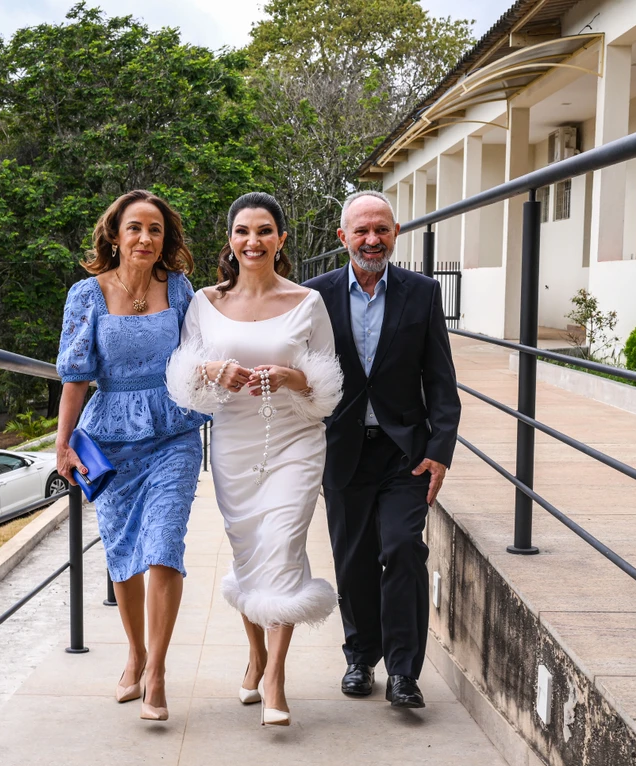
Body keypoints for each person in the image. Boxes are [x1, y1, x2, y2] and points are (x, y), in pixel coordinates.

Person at [166, 192, 343, 727]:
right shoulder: (204, 302)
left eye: (264, 231)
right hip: (235, 443)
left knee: (284, 544)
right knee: (249, 553)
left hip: (295, 439)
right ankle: (256, 655)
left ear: (281, 239)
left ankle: (276, 678)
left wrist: (291, 377)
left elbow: (328, 384)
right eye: (243, 231)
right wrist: (213, 373)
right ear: (230, 240)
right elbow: (184, 379)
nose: (253, 241)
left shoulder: (307, 303)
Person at [302, 190, 461, 710]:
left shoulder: (422, 293)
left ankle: (403, 672)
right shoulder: (313, 296)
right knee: (353, 562)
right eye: (362, 231)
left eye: (382, 230)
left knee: (402, 549)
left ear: (396, 233)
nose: (373, 240)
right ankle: (359, 657)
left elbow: (440, 379)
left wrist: (440, 449)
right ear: (343, 237)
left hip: (404, 452)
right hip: (341, 449)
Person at [55, 189, 207, 723]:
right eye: (135, 228)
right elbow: (75, 376)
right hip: (111, 438)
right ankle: (135, 653)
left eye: (156, 230)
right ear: (115, 235)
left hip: (174, 432)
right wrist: (63, 444)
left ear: (165, 240)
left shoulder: (180, 289)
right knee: (122, 552)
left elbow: (203, 353)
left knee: (163, 544)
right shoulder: (86, 295)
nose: (146, 238)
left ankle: (158, 671)